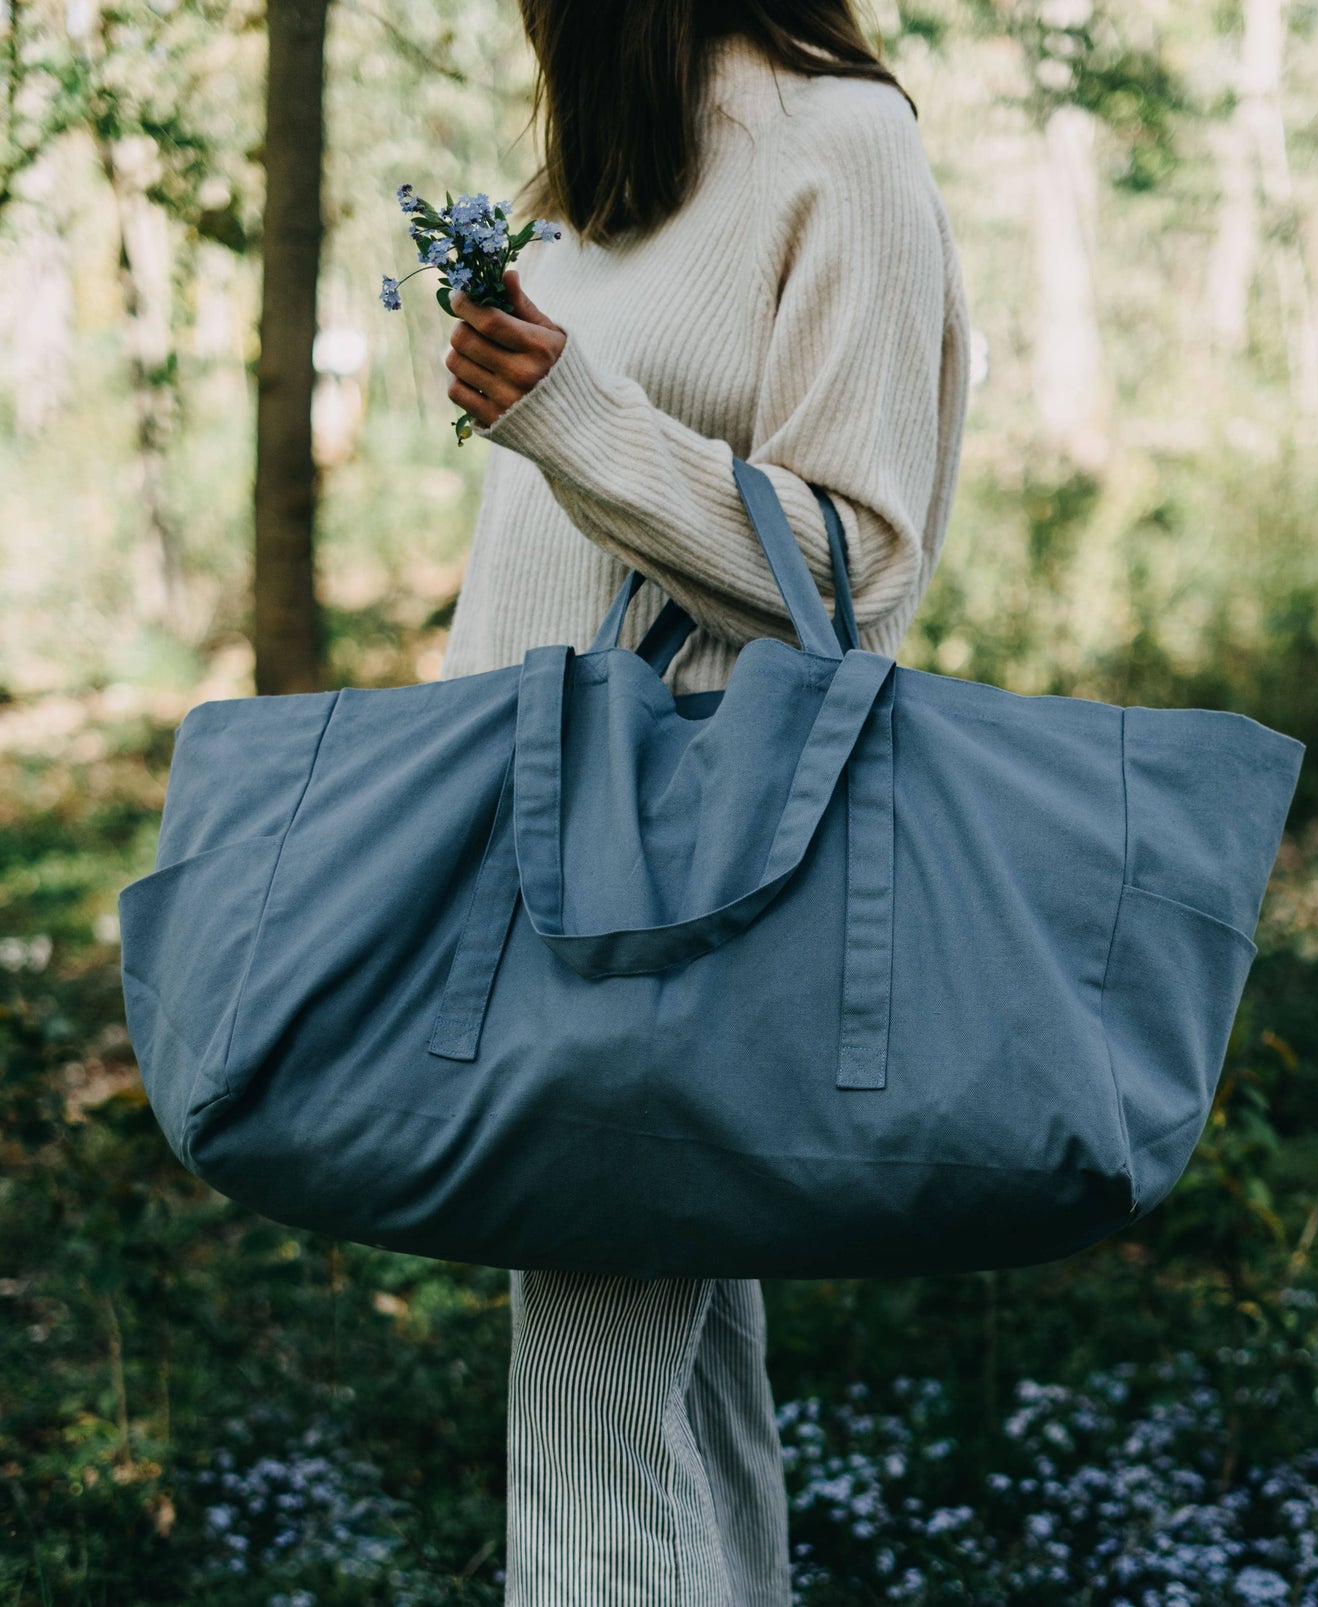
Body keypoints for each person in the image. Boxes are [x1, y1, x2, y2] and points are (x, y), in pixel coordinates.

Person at [437, 3, 971, 1601]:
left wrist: (575, 420)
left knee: (598, 1422)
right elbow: (558, 553)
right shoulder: (599, 174)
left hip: (670, 870)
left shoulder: (839, 145)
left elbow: (858, 568)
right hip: (529, 836)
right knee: (677, 1389)